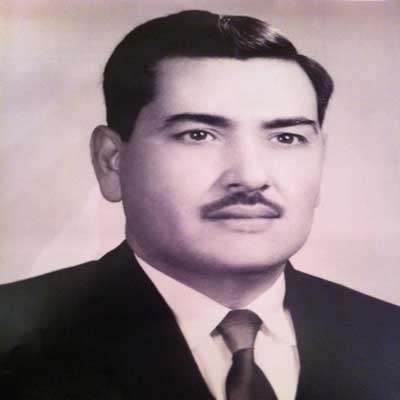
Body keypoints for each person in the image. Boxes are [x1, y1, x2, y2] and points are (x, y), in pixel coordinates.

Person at [0, 9, 399, 400]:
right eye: (198, 135)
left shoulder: (387, 337)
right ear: (112, 161)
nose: (250, 177)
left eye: (286, 138)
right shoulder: (14, 338)